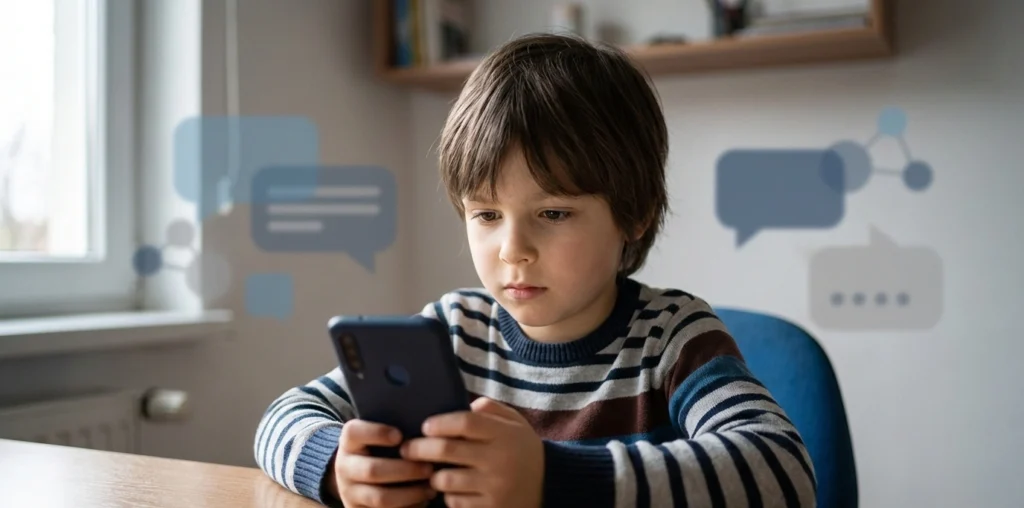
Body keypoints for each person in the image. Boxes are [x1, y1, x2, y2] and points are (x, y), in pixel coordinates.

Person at [255, 32, 816, 508]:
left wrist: (552, 479)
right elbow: (281, 417)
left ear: (635, 213)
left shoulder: (671, 338)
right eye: (487, 214)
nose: (512, 249)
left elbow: (783, 472)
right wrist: (336, 463)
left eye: (552, 213)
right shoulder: (452, 331)